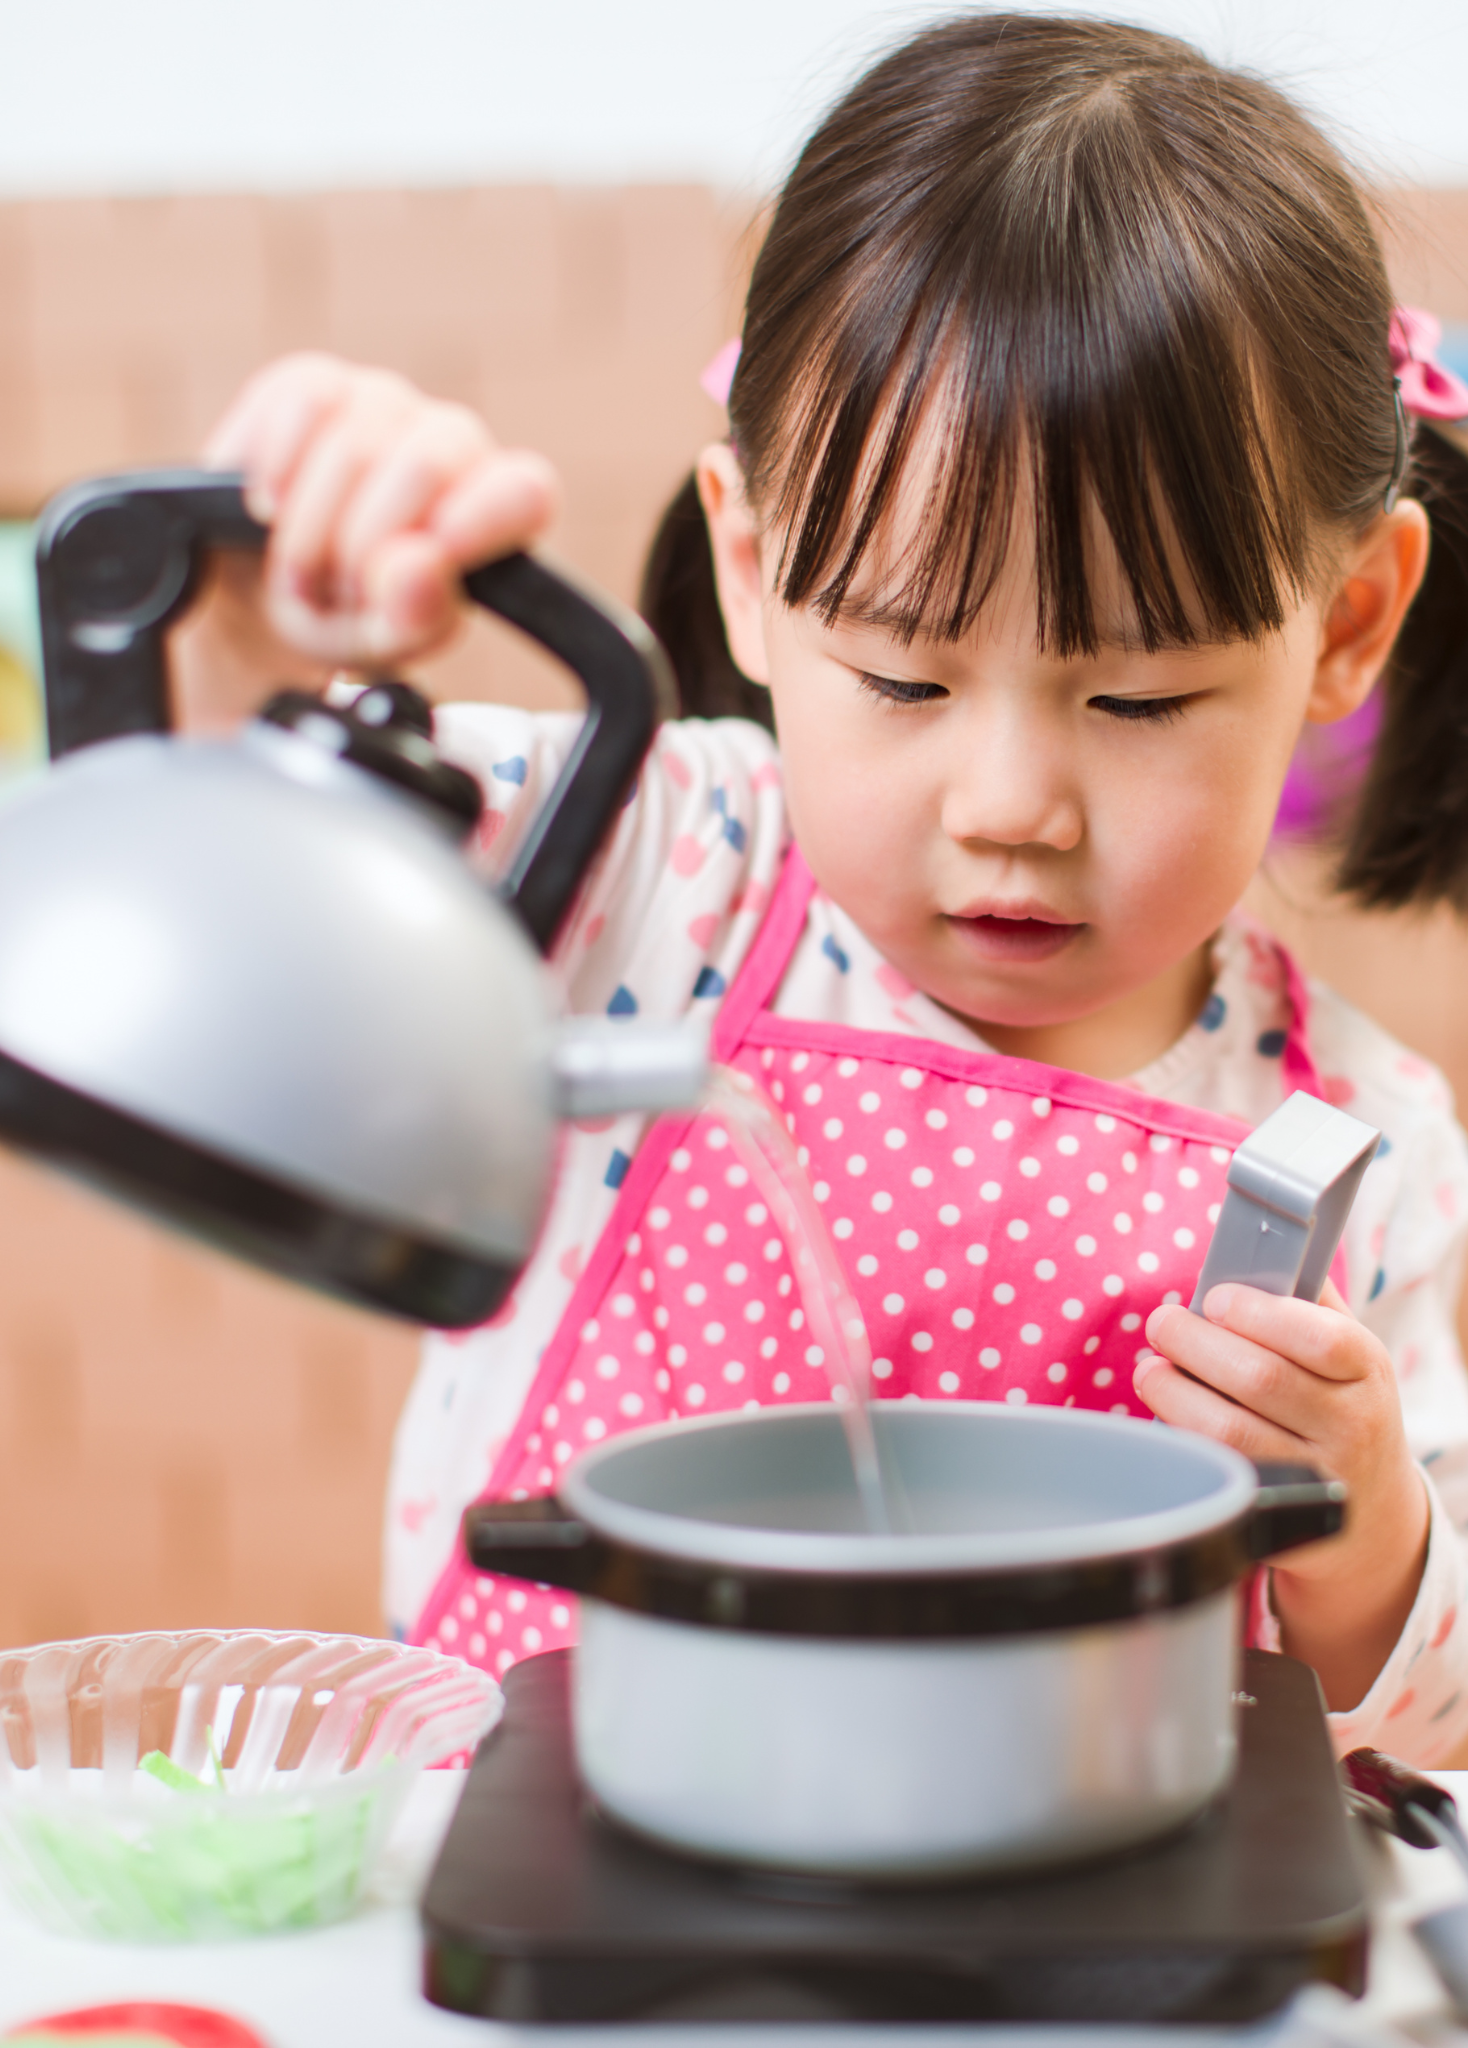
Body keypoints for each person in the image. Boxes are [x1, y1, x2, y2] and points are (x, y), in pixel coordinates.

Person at [198, 14, 1468, 1760]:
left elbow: (1433, 1720)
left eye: (1138, 699)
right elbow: (245, 878)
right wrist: (255, 634)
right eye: (903, 678)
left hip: (1081, 1892)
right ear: (750, 566)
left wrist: (1369, 1530)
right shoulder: (640, 865)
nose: (1013, 807)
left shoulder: (1354, 1145)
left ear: (1347, 624)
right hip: (561, 1854)